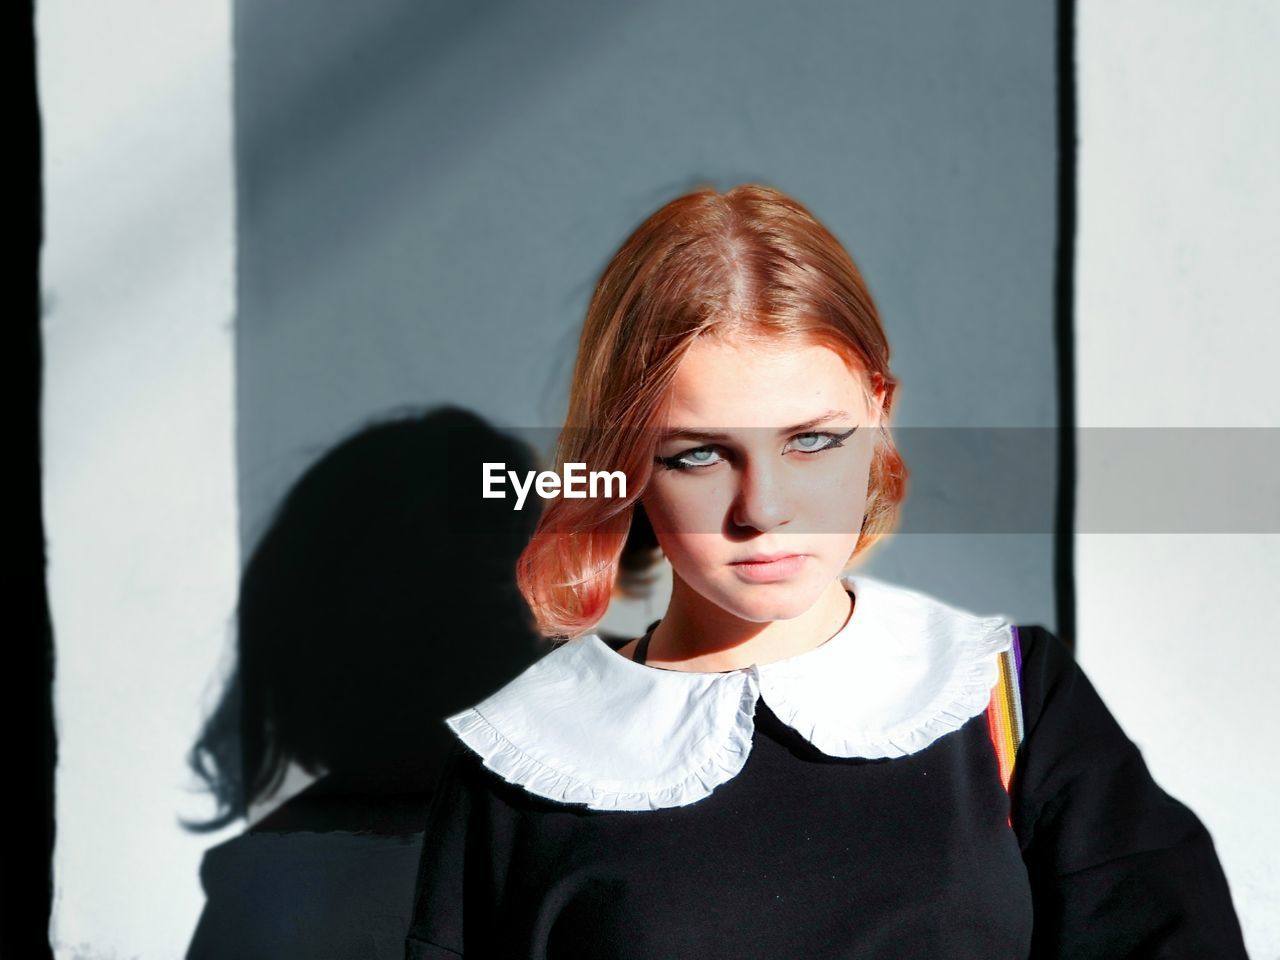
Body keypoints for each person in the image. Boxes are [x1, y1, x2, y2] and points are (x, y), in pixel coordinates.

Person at [404, 184, 1247, 959]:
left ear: (878, 413)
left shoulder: (1011, 698)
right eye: (699, 455)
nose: (764, 508)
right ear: (623, 461)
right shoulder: (524, 759)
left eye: (813, 440)